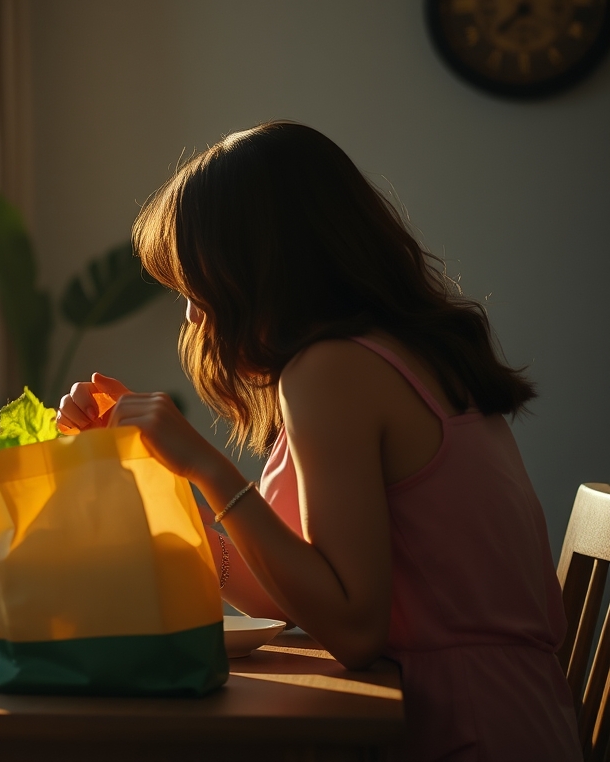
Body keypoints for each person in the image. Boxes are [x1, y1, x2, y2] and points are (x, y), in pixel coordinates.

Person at [57, 122, 578, 760]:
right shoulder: (382, 353)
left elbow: (353, 628)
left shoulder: (335, 370)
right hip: (498, 711)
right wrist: (159, 473)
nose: (193, 315)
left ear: (255, 269)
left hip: (461, 728)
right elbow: (274, 587)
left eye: (198, 288)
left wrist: (208, 465)